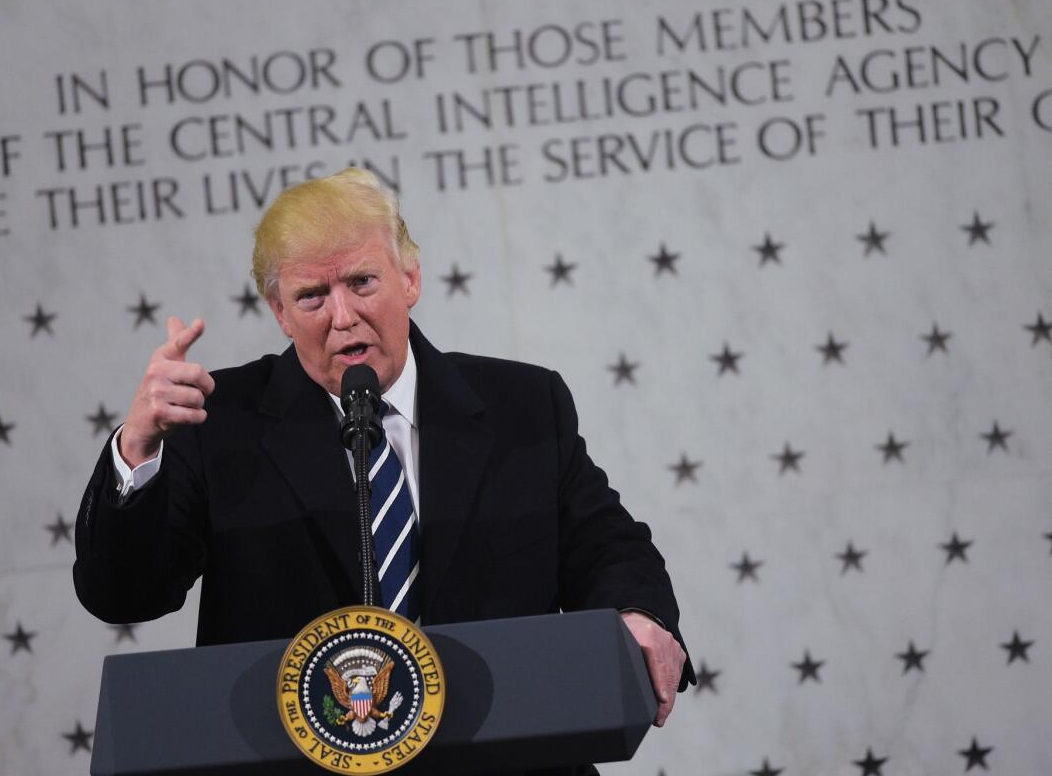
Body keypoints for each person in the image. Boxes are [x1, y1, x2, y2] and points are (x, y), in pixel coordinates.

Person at [74, 167, 694, 731]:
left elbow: (606, 544)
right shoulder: (217, 420)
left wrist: (640, 615)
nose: (341, 316)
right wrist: (137, 447)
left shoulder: (523, 406)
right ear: (280, 313)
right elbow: (124, 595)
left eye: (362, 282)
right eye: (312, 296)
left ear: (411, 278)